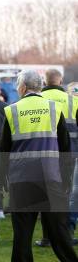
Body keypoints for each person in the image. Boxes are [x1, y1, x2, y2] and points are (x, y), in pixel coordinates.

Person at [0, 70, 78, 262]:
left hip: (22, 179)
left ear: (22, 87)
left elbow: (3, 151)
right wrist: (67, 180)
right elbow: (65, 148)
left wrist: (0, 180)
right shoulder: (55, 108)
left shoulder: (11, 110)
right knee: (59, 229)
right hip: (51, 178)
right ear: (39, 87)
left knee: (23, 230)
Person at [34, 69, 78, 247]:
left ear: (45, 82)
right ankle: (65, 235)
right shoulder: (73, 101)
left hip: (45, 155)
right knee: (65, 195)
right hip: (69, 155)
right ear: (60, 81)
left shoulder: (38, 101)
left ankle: (47, 237)